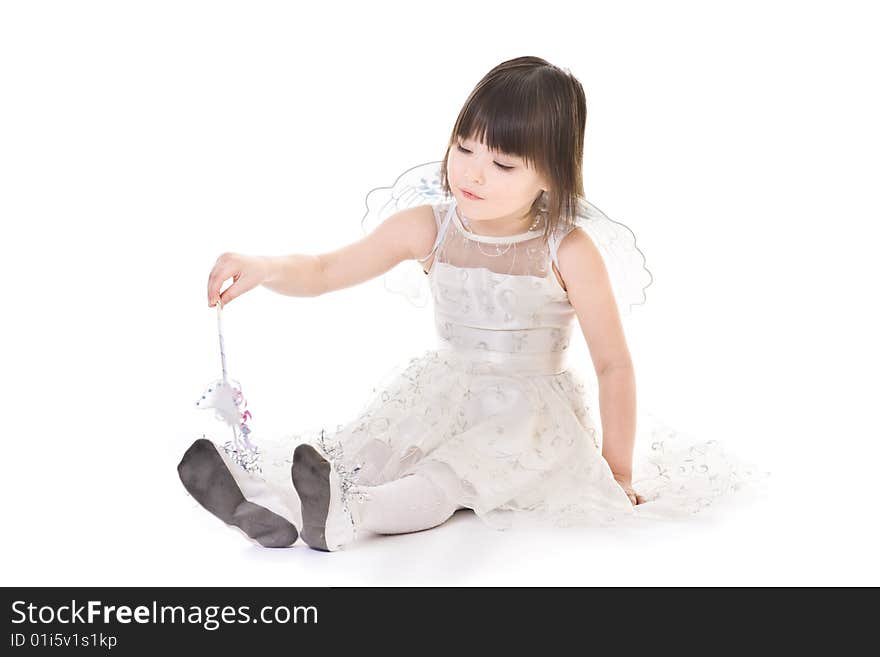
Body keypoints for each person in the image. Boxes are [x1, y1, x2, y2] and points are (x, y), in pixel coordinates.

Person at [178, 56, 769, 552]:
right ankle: (268, 506)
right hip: (444, 390)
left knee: (449, 478)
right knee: (368, 450)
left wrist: (615, 470)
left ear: (553, 177)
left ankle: (345, 518)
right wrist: (265, 267)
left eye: (504, 163)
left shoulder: (568, 248)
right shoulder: (430, 226)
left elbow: (614, 365)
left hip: (527, 416)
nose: (473, 173)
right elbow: (329, 269)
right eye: (464, 148)